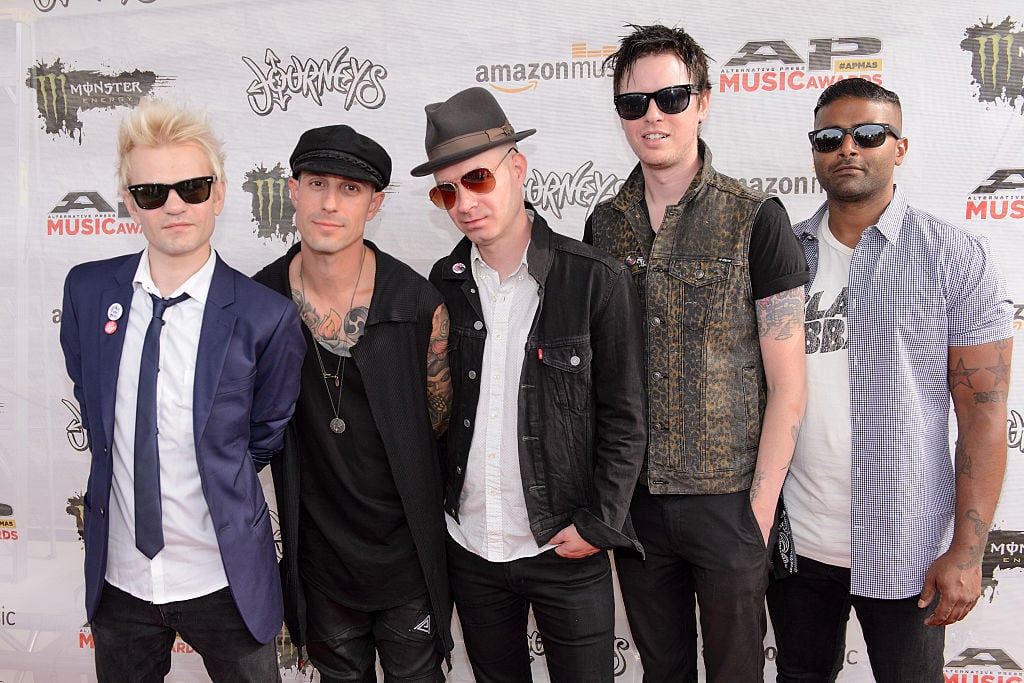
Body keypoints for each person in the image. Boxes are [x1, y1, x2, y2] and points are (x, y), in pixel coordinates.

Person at [765, 77, 1014, 682]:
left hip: (909, 551)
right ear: (815, 151)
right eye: (829, 137)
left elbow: (983, 413)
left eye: (868, 134)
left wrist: (968, 548)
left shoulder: (956, 256)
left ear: (898, 147)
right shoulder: (783, 256)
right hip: (795, 548)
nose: (847, 148)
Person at [583, 24, 809, 681]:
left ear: (703, 100)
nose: (653, 115)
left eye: (671, 97)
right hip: (637, 505)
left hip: (730, 501)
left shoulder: (755, 218)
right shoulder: (604, 224)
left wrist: (758, 512)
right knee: (665, 671)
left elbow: (788, 385)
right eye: (635, 102)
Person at [58, 98, 306, 681]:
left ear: (218, 195)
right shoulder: (88, 293)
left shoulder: (264, 316)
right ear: (129, 205)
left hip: (224, 577)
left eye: (192, 188)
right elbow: (90, 398)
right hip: (119, 576)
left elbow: (264, 435)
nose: (174, 205)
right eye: (152, 193)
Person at [411, 86, 647, 682]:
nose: (464, 202)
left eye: (478, 180)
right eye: (447, 191)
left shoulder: (593, 279)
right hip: (471, 550)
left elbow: (626, 416)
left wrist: (599, 523)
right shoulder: (442, 286)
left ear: (517, 169)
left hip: (563, 547)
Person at [253, 124, 454, 681]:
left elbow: (437, 426)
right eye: (317, 183)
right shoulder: (259, 303)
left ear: (375, 204)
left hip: (407, 558)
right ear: (293, 190)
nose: (329, 203)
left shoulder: (416, 304)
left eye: (350, 190)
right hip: (320, 565)